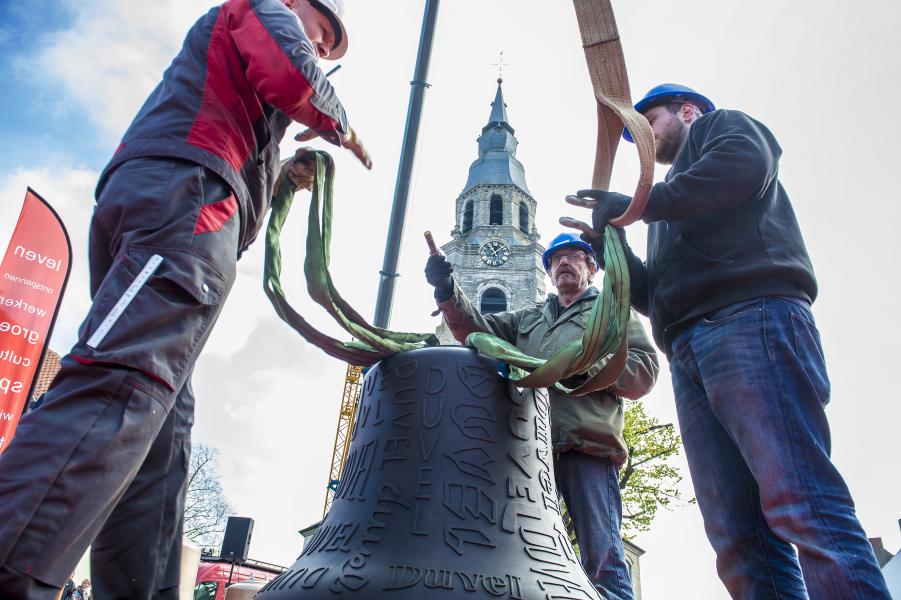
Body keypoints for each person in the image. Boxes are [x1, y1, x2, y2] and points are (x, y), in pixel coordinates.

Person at [0, 1, 371, 598]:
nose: (323, 49)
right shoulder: (262, 8)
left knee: (162, 438)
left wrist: (281, 176)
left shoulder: (244, 88)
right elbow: (293, 71)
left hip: (184, 202)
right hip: (189, 203)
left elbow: (257, 110)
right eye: (321, 32)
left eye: (330, 48)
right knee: (128, 383)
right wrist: (339, 123)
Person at [563, 83, 891, 599]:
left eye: (645, 122)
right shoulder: (670, 202)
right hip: (690, 349)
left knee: (800, 500)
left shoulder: (724, 128)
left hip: (751, 319)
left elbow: (743, 167)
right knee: (738, 538)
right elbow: (655, 295)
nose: (637, 138)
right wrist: (614, 244)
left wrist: (640, 204)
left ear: (686, 110)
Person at [425, 232, 659, 600]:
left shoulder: (614, 313)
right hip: (525, 457)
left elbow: (643, 371)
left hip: (586, 447)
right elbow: (476, 332)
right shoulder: (528, 319)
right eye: (556, 259)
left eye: (574, 256)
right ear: (548, 272)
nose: (564, 263)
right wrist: (447, 289)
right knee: (516, 556)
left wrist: (586, 367)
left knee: (604, 560)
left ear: (592, 268)